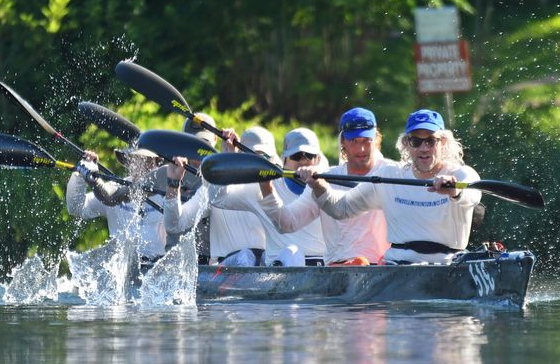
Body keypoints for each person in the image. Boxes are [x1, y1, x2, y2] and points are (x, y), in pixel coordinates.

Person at [295, 109, 482, 265]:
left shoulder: (462, 175)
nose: (423, 148)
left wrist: (454, 191)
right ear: (406, 145)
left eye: (430, 141)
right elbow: (340, 209)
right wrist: (317, 184)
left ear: (443, 143)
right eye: (416, 141)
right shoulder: (389, 176)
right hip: (398, 268)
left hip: (447, 265)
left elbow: (473, 196)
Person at [257, 107, 390, 265]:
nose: (361, 149)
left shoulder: (392, 173)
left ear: (376, 139)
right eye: (354, 141)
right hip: (338, 272)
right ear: (343, 142)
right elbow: (286, 224)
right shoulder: (324, 178)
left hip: (383, 273)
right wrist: (266, 187)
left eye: (366, 141)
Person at [205, 127, 328, 266]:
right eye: (297, 156)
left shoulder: (329, 189)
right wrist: (227, 158)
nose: (303, 161)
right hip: (278, 272)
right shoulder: (261, 188)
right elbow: (218, 199)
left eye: (309, 156)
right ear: (284, 159)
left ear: (317, 159)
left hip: (320, 272)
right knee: (291, 253)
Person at [161, 114, 266, 265]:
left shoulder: (273, 188)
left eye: (263, 157)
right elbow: (174, 225)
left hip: (266, 270)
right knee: (244, 257)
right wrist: (173, 183)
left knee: (249, 257)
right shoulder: (209, 189)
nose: (197, 151)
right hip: (225, 272)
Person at [65, 148, 167, 261]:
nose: (142, 166)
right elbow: (75, 208)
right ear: (128, 162)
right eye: (137, 160)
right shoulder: (112, 189)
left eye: (148, 161)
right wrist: (80, 174)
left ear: (157, 164)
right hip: (121, 269)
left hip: (158, 271)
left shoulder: (170, 193)